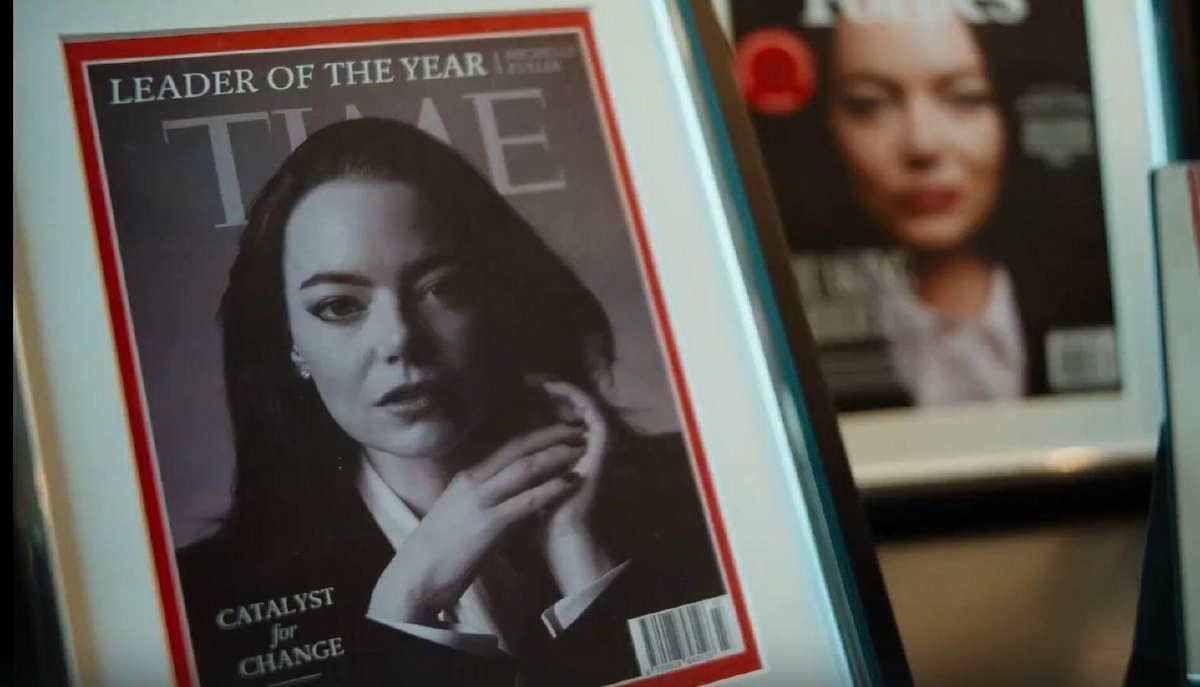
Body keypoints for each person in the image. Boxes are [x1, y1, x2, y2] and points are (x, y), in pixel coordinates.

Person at [176, 117, 725, 687]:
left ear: (496, 300)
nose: (399, 339)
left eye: (440, 288)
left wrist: (584, 562)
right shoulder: (207, 598)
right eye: (340, 306)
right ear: (290, 344)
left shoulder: (696, 491)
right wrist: (406, 606)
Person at [813, 10, 1115, 407]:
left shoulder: (1096, 299)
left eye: (966, 97)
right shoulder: (795, 334)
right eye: (868, 104)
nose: (922, 145)